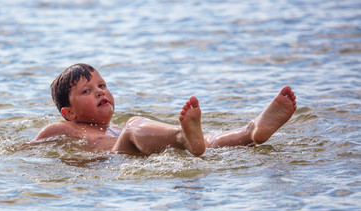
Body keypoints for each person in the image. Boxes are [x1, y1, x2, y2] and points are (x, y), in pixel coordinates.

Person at [34, 63, 297, 156]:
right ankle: (184, 136)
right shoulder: (64, 128)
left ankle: (251, 132)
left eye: (102, 84)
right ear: (69, 113)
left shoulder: (112, 128)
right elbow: (25, 151)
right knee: (134, 124)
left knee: (206, 143)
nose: (100, 91)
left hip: (139, 153)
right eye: (87, 91)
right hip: (114, 158)